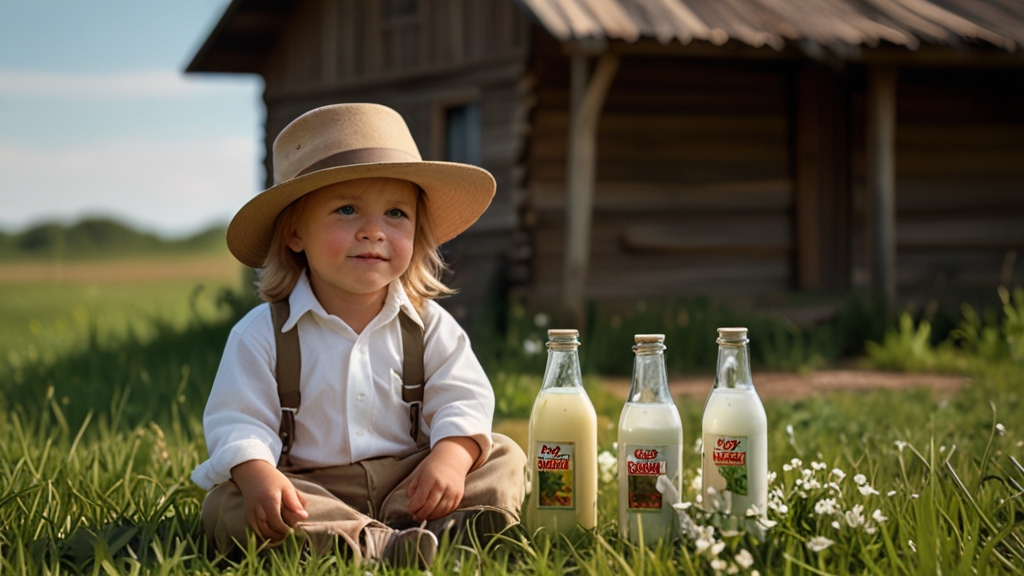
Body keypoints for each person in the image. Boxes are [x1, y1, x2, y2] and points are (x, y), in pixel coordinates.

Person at [192, 103, 526, 567]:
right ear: (294, 234)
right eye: (346, 210)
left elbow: (463, 399)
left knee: (503, 454)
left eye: (395, 214)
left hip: (413, 483)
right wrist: (257, 475)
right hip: (311, 488)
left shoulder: (428, 325)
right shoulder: (261, 335)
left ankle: (435, 526)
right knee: (226, 502)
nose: (373, 231)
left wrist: (450, 457)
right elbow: (237, 421)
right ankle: (378, 544)